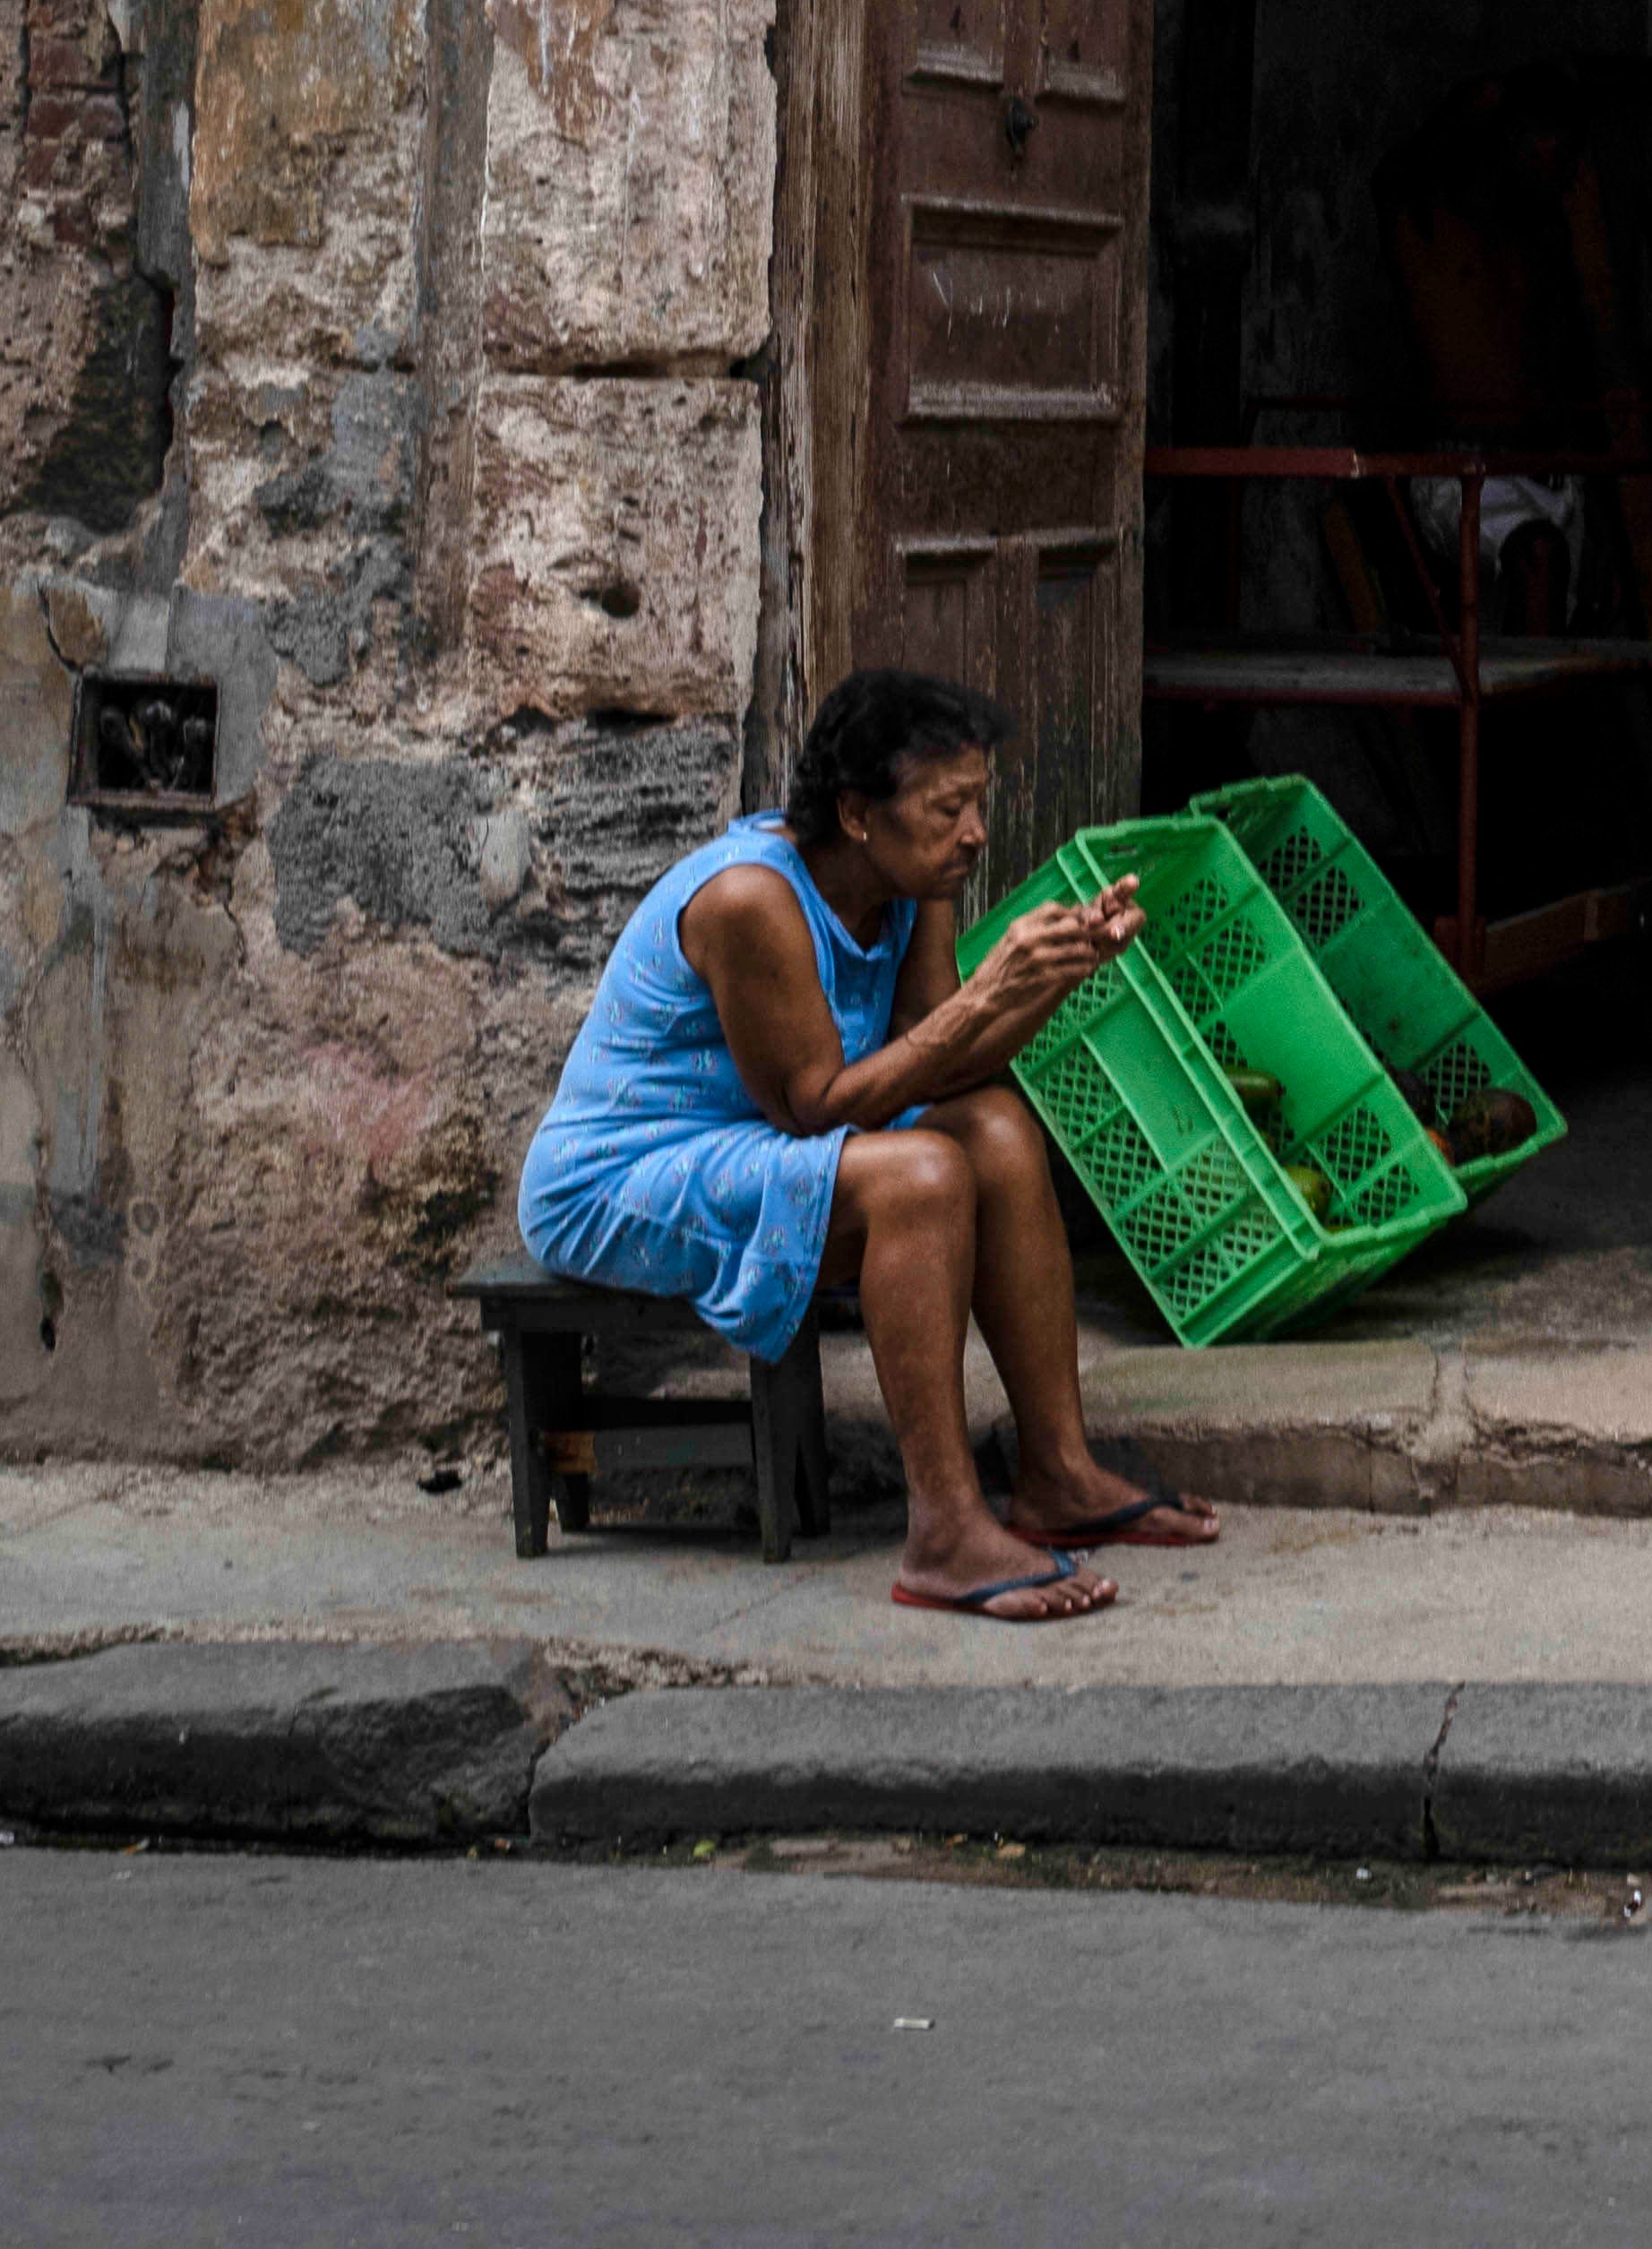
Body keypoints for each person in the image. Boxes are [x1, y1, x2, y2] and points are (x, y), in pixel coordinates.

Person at [517, 667, 1220, 1623]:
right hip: (620, 1176)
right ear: (855, 814)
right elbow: (815, 1108)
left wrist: (1052, 978)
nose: (974, 832)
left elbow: (943, 1063)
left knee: (998, 1130)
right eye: (947, 808)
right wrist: (989, 988)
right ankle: (944, 1530)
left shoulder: (913, 883)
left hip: (762, 1140)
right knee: (921, 1174)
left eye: (978, 802)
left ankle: (1057, 1471)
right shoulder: (749, 899)